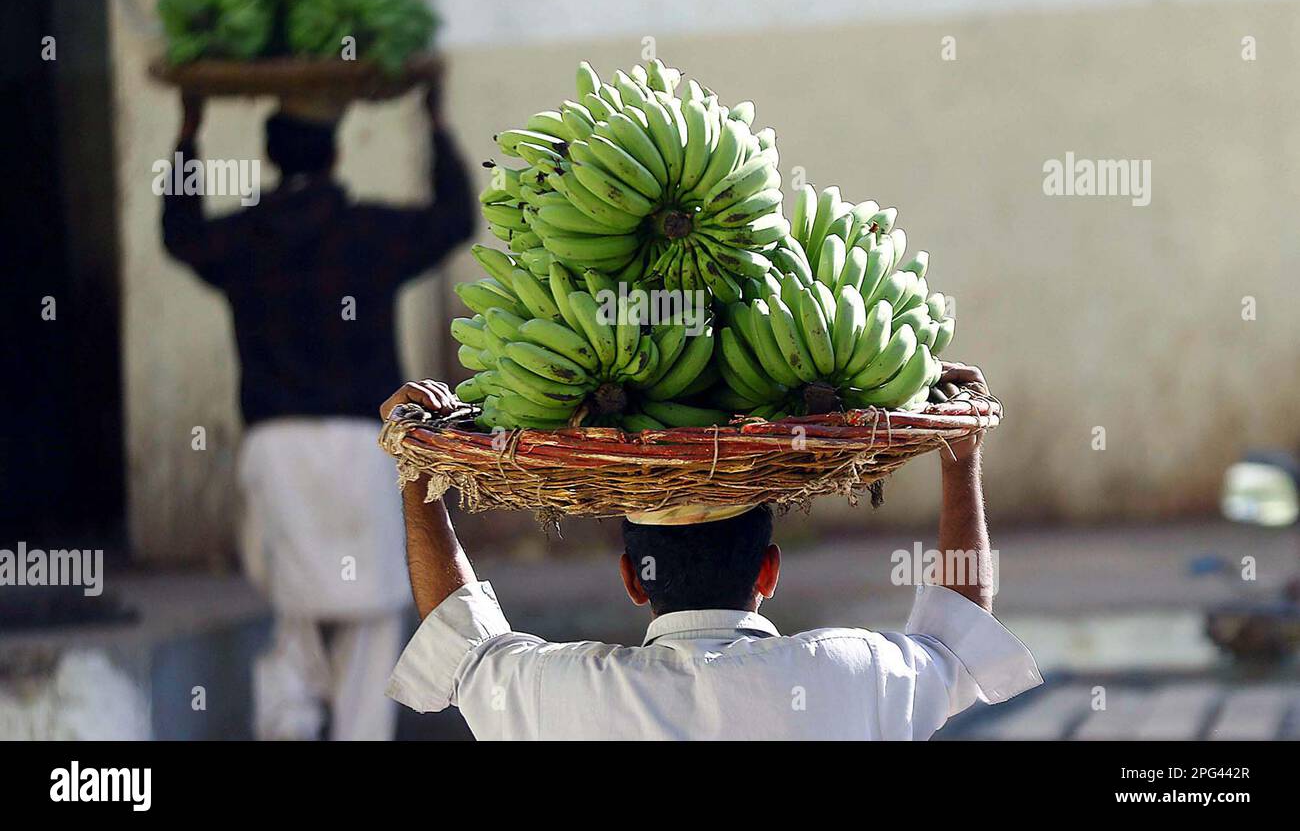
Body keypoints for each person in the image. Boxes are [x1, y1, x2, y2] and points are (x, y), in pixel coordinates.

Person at [379, 366, 1042, 740]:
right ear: (768, 570)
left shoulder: (559, 691)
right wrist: (961, 457)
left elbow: (462, 645)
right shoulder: (853, 672)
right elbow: (959, 637)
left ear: (633, 580)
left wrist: (417, 471)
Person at [162, 77, 475, 740]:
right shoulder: (368, 233)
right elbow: (453, 219)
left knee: (296, 613)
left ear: (272, 159)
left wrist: (188, 134)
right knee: (370, 618)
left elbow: (179, 232)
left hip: (276, 450)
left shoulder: (245, 239)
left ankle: (290, 724)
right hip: (366, 449)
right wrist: (436, 121)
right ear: (335, 157)